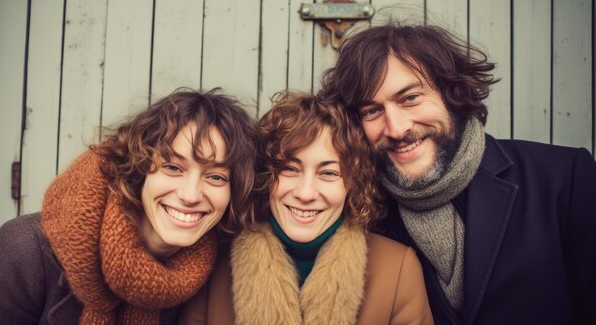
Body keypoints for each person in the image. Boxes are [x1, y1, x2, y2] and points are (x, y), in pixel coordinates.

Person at [319, 22, 596, 325]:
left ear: (452, 93)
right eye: (372, 111)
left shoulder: (565, 178)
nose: (396, 129)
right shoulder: (360, 213)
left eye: (410, 98)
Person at [0, 88, 259, 325]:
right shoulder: (26, 248)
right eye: (172, 167)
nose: (191, 194)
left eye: (216, 176)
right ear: (138, 169)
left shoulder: (215, 270)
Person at [178, 91, 433, 325]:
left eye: (329, 173)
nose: (306, 193)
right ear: (266, 175)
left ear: (353, 183)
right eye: (290, 169)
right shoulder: (214, 261)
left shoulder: (398, 268)